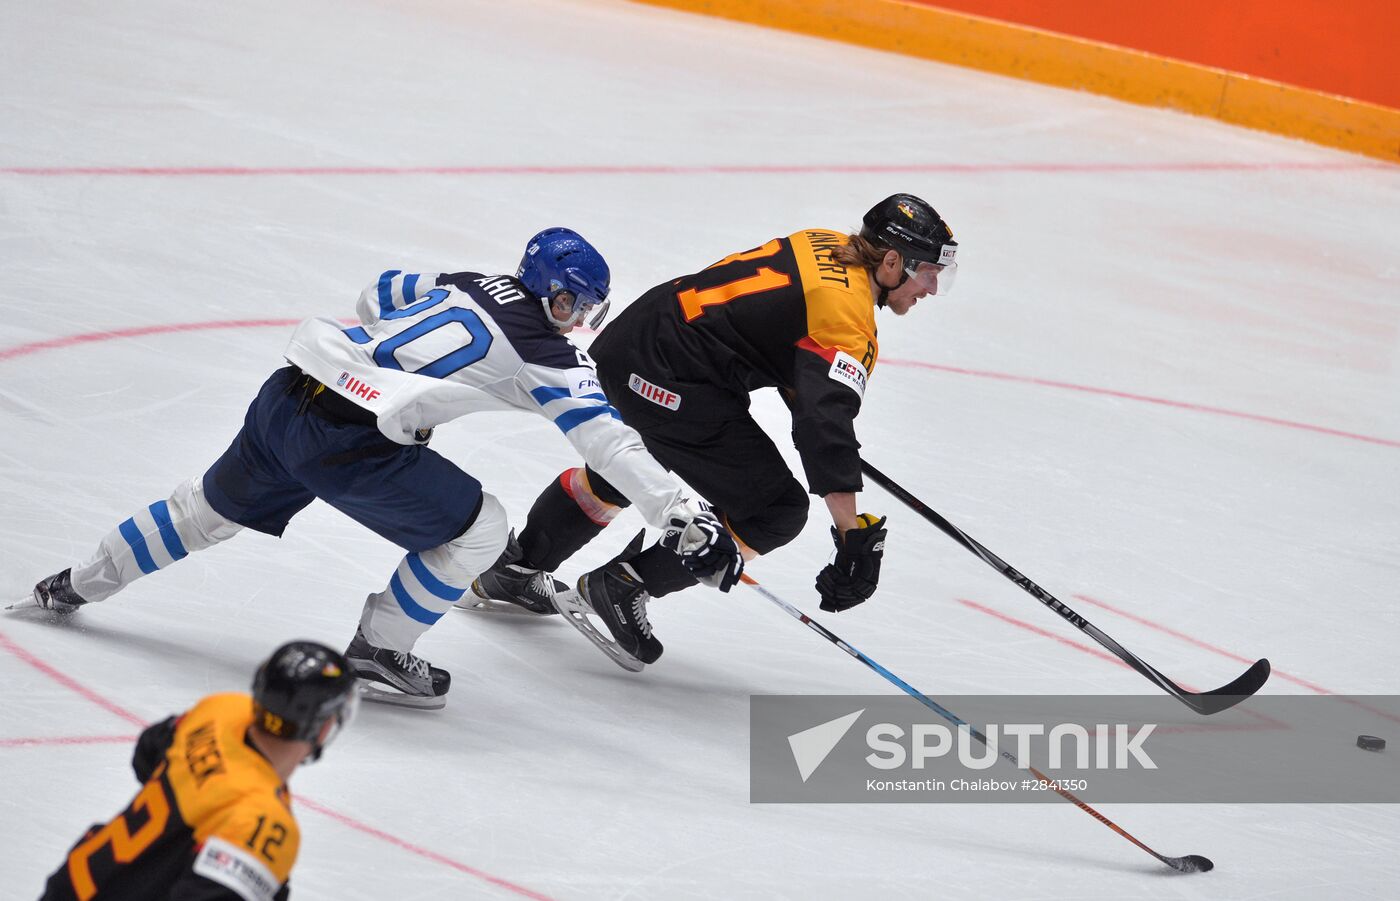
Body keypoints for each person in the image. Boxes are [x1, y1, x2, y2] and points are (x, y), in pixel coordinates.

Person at [26, 228, 742, 704]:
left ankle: (71, 585)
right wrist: (679, 514)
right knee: (483, 529)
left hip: (285, 398)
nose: (571, 321)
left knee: (200, 513)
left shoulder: (467, 280)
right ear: (549, 289)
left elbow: (380, 291)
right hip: (348, 441)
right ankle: (380, 647)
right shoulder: (548, 356)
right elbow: (609, 443)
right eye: (568, 304)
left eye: (580, 310)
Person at [471, 195, 958, 664]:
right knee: (776, 510)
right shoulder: (848, 318)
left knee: (633, 461)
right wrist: (851, 533)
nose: (932, 289)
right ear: (892, 262)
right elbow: (822, 427)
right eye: (928, 273)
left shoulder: (825, 242)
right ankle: (624, 587)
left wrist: (817, 411)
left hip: (636, 339)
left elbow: (774, 337)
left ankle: (516, 567)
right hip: (669, 375)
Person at [38, 640, 358, 901]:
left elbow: (147, 752)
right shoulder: (263, 824)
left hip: (72, 887)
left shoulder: (219, 711)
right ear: (322, 729)